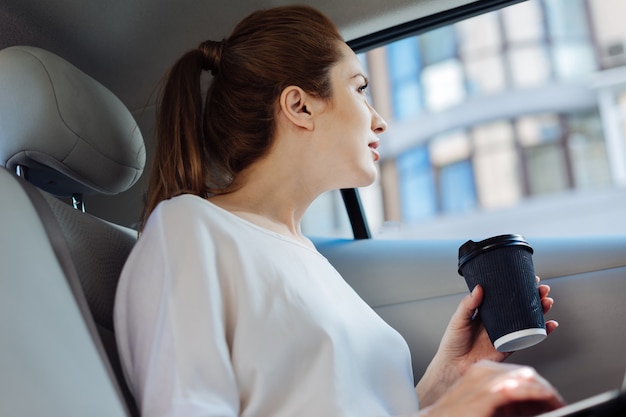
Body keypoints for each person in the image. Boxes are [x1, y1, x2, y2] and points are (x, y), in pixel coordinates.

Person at [114, 5, 564, 417]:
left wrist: (450, 376)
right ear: (300, 105)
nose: (378, 120)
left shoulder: (306, 257)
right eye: (360, 89)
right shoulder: (189, 229)